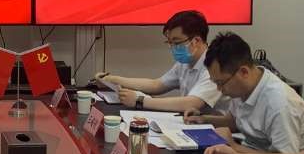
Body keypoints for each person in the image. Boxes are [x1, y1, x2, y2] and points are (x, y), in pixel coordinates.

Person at [196, 31, 304, 154]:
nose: (219, 89)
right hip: (253, 150)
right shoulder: (243, 88)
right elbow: (234, 121)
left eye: (221, 83)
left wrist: (234, 148)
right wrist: (202, 119)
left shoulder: (280, 103)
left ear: (244, 72)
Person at [93, 9, 221, 113]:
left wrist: (140, 101)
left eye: (176, 42)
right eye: (169, 43)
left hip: (216, 131)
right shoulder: (186, 61)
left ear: (196, 41)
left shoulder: (216, 65)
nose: (172, 48)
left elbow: (192, 103)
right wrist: (113, 80)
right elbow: (157, 85)